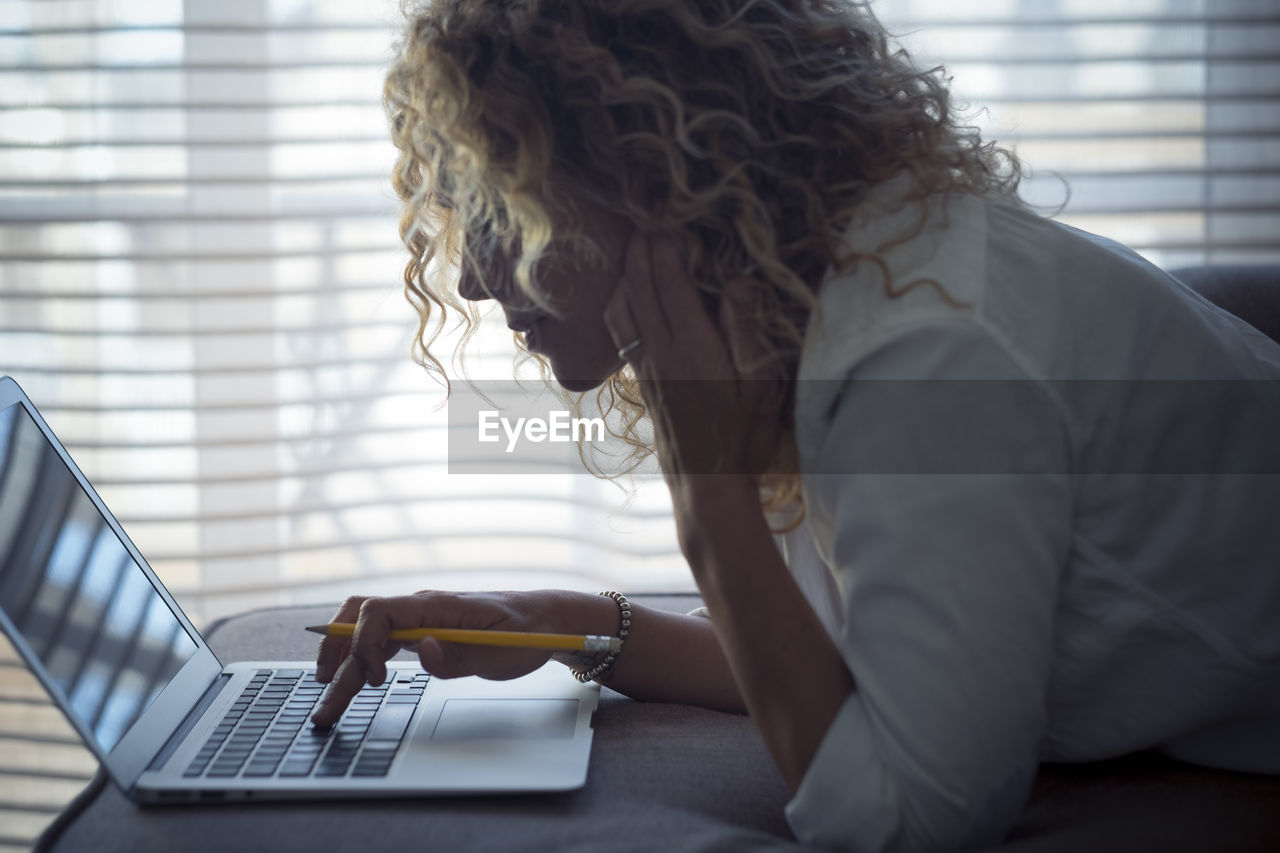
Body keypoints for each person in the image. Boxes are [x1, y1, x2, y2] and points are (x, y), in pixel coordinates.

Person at [311, 1, 1280, 849]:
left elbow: (906, 815)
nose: (473, 278)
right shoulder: (807, 300)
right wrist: (553, 625)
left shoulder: (916, 358)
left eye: (497, 202)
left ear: (646, 163)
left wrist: (709, 504)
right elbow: (834, 651)